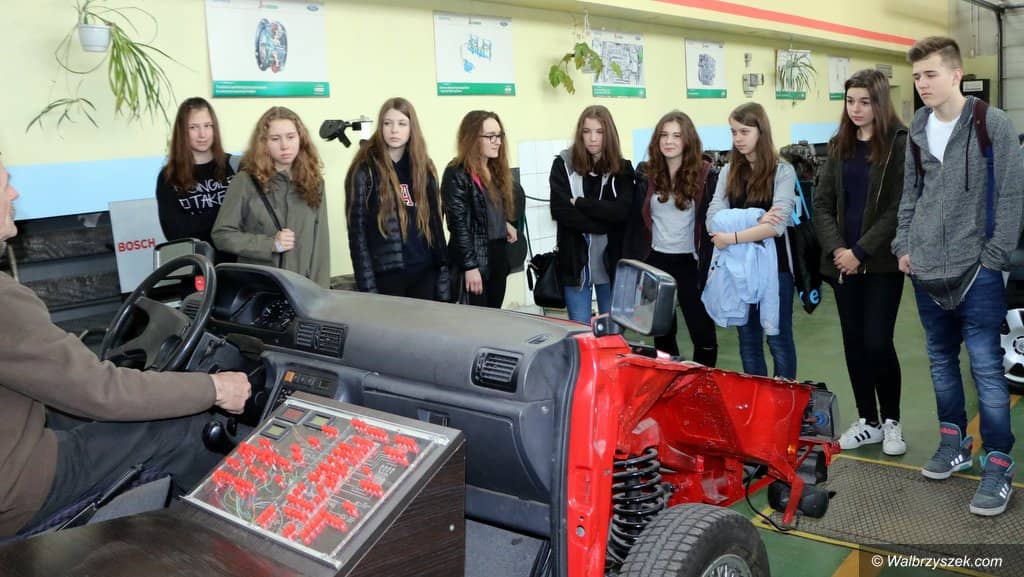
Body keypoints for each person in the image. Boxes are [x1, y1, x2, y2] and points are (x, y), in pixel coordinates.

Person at [0, 156, 252, 537]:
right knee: (179, 428)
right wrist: (214, 387)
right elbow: (100, 391)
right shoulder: (5, 302)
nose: (15, 193)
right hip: (18, 493)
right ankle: (235, 543)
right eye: (5, 185)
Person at [894, 36, 1024, 516]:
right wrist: (904, 246)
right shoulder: (917, 129)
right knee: (940, 362)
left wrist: (994, 258)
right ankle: (954, 443)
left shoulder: (993, 124)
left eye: (930, 74)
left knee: (986, 369)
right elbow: (911, 195)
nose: (922, 84)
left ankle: (998, 462)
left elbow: (1011, 196)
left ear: (956, 74)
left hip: (979, 271)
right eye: (916, 77)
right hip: (926, 271)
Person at [813, 70, 908, 456]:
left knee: (877, 342)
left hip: (881, 265)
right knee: (854, 342)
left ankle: (892, 421)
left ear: (880, 103)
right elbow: (822, 203)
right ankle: (868, 420)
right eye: (850, 101)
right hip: (843, 266)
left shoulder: (900, 144)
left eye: (864, 102)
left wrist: (860, 252)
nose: (856, 109)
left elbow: (897, 208)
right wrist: (839, 250)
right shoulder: (840, 145)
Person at [705, 102, 797, 379]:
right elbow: (712, 218)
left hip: (776, 270)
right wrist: (756, 219)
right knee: (748, 342)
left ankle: (785, 399)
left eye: (744, 131)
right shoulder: (728, 172)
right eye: (733, 132)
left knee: (778, 340)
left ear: (761, 131)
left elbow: (775, 226)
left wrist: (731, 235)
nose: (738, 138)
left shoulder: (783, 172)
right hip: (738, 269)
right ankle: (757, 399)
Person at [626, 110, 717, 365]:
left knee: (703, 336)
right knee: (663, 334)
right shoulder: (648, 175)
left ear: (688, 140)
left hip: (690, 263)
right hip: (657, 261)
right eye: (664, 135)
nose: (669, 141)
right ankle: (670, 380)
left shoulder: (705, 175)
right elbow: (638, 220)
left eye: (676, 136)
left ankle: (702, 383)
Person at [212, 106, 330, 287]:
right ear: (264, 143)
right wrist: (270, 245)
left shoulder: (315, 181)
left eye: (290, 137)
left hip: (302, 290)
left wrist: (320, 293)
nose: (284, 145)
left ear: (301, 139)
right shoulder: (245, 181)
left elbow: (320, 244)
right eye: (275, 139)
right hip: (260, 289)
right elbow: (222, 235)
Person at [345, 98, 449, 301]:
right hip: (388, 274)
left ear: (411, 128)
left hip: (425, 271)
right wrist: (367, 287)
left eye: (402, 124)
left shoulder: (424, 167)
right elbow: (357, 235)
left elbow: (436, 225)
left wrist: (443, 271)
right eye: (387, 123)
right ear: (380, 127)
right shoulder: (365, 170)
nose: (394, 130)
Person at [550, 105, 635, 324]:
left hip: (612, 264)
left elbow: (621, 211)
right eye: (587, 131)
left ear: (609, 134)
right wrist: (602, 223)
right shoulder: (562, 164)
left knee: (612, 332)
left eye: (599, 132)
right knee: (579, 331)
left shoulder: (623, 169)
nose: (593, 138)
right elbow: (560, 210)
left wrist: (579, 203)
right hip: (575, 264)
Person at [441, 110, 518, 308]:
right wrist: (470, 267)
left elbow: (485, 209)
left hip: (498, 255)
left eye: (499, 135)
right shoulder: (456, 172)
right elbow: (458, 224)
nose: (497, 142)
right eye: (490, 136)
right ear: (472, 139)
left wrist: (503, 223)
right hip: (476, 259)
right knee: (477, 320)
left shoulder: (494, 168)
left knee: (494, 317)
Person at [155, 97, 237, 264]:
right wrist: (226, 213)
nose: (202, 134)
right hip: (198, 267)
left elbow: (250, 220)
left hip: (239, 263)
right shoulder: (169, 177)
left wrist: (197, 220)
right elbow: (176, 232)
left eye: (208, 126)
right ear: (182, 131)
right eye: (193, 127)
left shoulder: (235, 167)